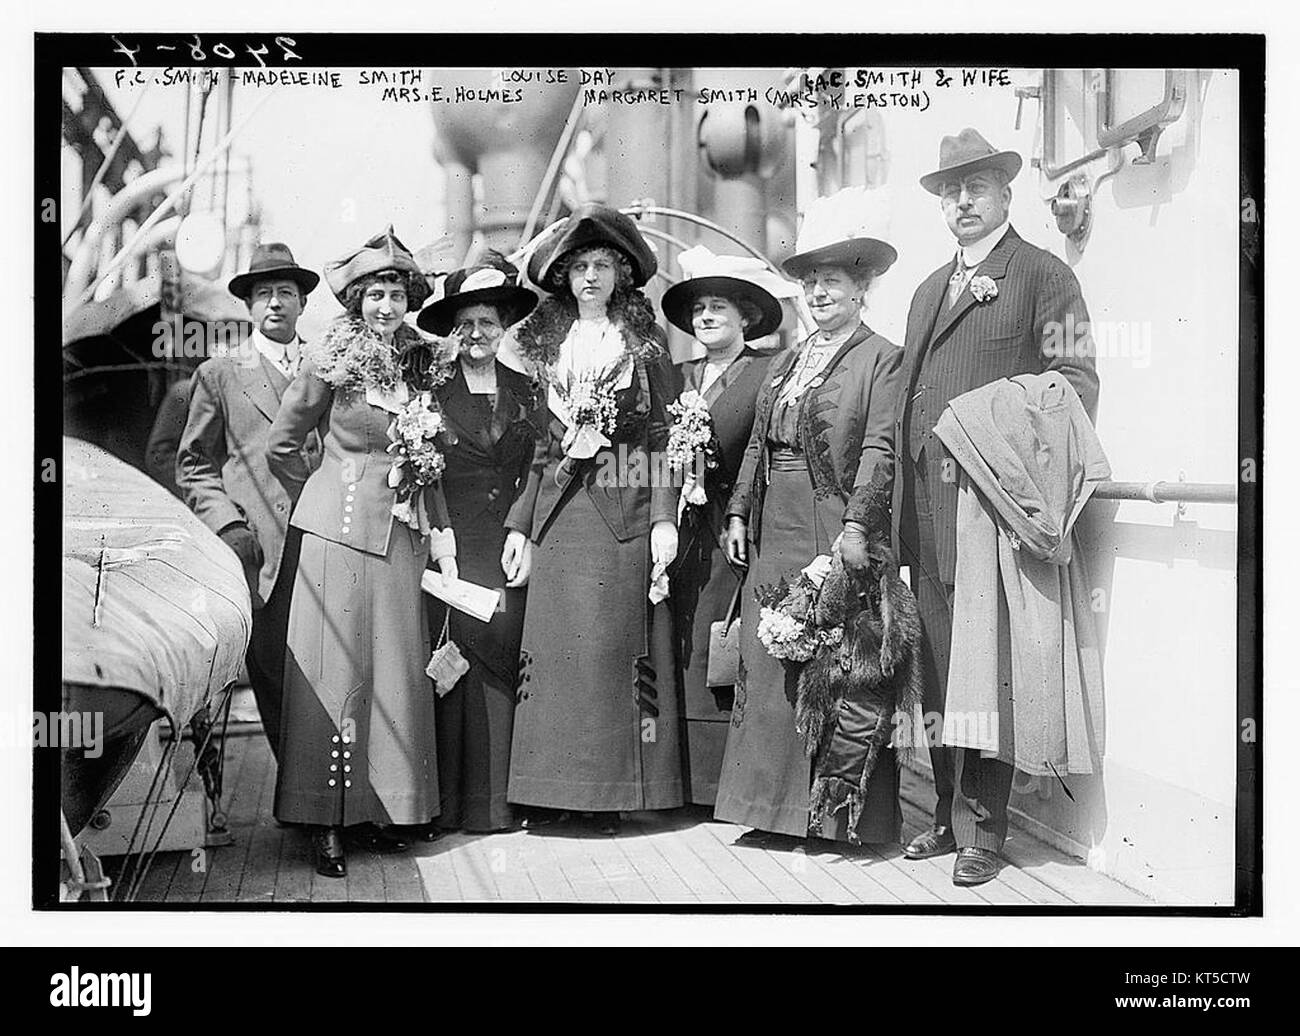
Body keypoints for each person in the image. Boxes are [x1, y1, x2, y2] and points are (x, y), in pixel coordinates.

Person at [861, 128, 1100, 886]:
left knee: (986, 667)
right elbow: (903, 400)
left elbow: (1076, 387)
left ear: (1006, 192)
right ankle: (942, 815)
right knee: (935, 666)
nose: (962, 201)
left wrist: (983, 430)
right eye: (949, 191)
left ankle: (987, 833)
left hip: (990, 512)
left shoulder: (1042, 275)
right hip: (924, 514)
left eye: (976, 187)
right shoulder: (930, 288)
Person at [266, 227, 458, 878]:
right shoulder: (333, 359)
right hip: (337, 537)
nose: (386, 306)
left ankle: (388, 811)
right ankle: (326, 823)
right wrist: (325, 491)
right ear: (355, 299)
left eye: (396, 295)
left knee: (397, 674)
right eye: (375, 294)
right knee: (336, 675)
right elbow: (282, 445)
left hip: (401, 533)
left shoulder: (418, 362)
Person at [719, 188, 905, 845]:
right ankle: (765, 808)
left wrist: (858, 526)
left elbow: (881, 446)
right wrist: (740, 509)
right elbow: (759, 444)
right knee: (768, 660)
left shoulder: (881, 358)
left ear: (860, 291)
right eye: (811, 285)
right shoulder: (788, 361)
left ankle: (833, 821)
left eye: (832, 283)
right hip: (775, 524)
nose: (819, 294)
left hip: (833, 522)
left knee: (833, 659)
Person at [505, 204, 683, 836]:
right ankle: (549, 790)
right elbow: (537, 447)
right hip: (560, 514)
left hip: (623, 511)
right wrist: (520, 528)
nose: (589, 277)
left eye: (602, 265)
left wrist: (665, 517)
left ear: (622, 275)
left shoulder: (644, 348)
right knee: (556, 657)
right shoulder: (547, 353)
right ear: (562, 278)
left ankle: (607, 794)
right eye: (579, 266)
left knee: (610, 654)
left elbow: (663, 436)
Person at [177, 243, 323, 758]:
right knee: (277, 675)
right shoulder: (219, 375)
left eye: (287, 292)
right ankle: (301, 809)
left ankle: (343, 807)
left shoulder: (330, 364)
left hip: (330, 543)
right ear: (250, 305)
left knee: (335, 670)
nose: (276, 303)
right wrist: (227, 526)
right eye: (265, 294)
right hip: (260, 553)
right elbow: (193, 465)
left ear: (303, 303)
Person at [658, 247, 791, 806]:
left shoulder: (766, 371)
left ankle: (722, 783)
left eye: (719, 308)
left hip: (734, 524)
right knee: (684, 641)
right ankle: (683, 780)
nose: (706, 317)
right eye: (699, 310)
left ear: (746, 319)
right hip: (680, 527)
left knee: (725, 638)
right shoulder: (677, 375)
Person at [414, 253, 540, 832]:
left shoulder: (526, 390)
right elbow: (422, 472)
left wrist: (523, 528)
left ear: (504, 328)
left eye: (488, 323)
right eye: (465, 324)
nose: (476, 334)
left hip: (506, 544)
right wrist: (441, 540)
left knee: (499, 660)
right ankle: (450, 804)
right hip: (451, 544)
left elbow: (539, 466)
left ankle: (498, 804)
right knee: (452, 662)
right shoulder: (432, 394)